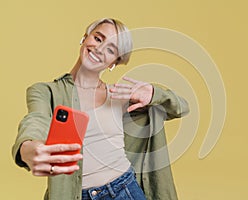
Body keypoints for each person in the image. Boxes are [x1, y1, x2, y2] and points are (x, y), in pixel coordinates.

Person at [12, 18, 189, 200]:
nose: (100, 49)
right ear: (85, 38)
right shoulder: (46, 91)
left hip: (125, 190)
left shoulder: (119, 95)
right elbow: (35, 120)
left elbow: (181, 107)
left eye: (111, 49)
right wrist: (28, 147)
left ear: (114, 62)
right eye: (98, 38)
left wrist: (153, 93)